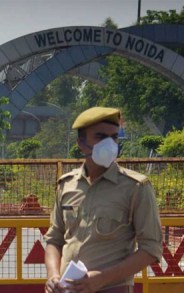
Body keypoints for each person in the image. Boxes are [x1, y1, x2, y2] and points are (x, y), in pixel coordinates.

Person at [44, 107, 162, 293]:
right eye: (100, 137)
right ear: (81, 143)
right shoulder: (67, 185)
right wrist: (53, 276)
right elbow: (54, 239)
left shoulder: (136, 187)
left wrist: (102, 278)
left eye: (114, 137)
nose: (109, 144)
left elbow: (151, 249)